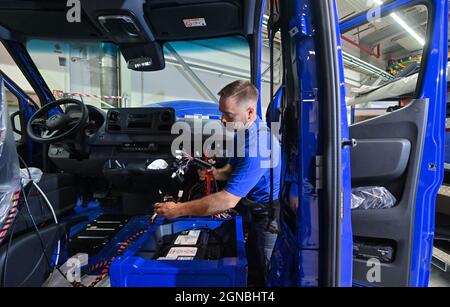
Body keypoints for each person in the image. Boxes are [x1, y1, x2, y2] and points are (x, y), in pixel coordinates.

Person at [154, 80, 281, 286]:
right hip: (250, 208)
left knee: (266, 270)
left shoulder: (259, 144)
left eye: (228, 114)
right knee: (251, 261)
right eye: (221, 112)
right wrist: (216, 173)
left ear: (249, 112)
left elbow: (228, 200)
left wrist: (178, 210)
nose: (222, 119)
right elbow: (231, 169)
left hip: (267, 215)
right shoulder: (244, 133)